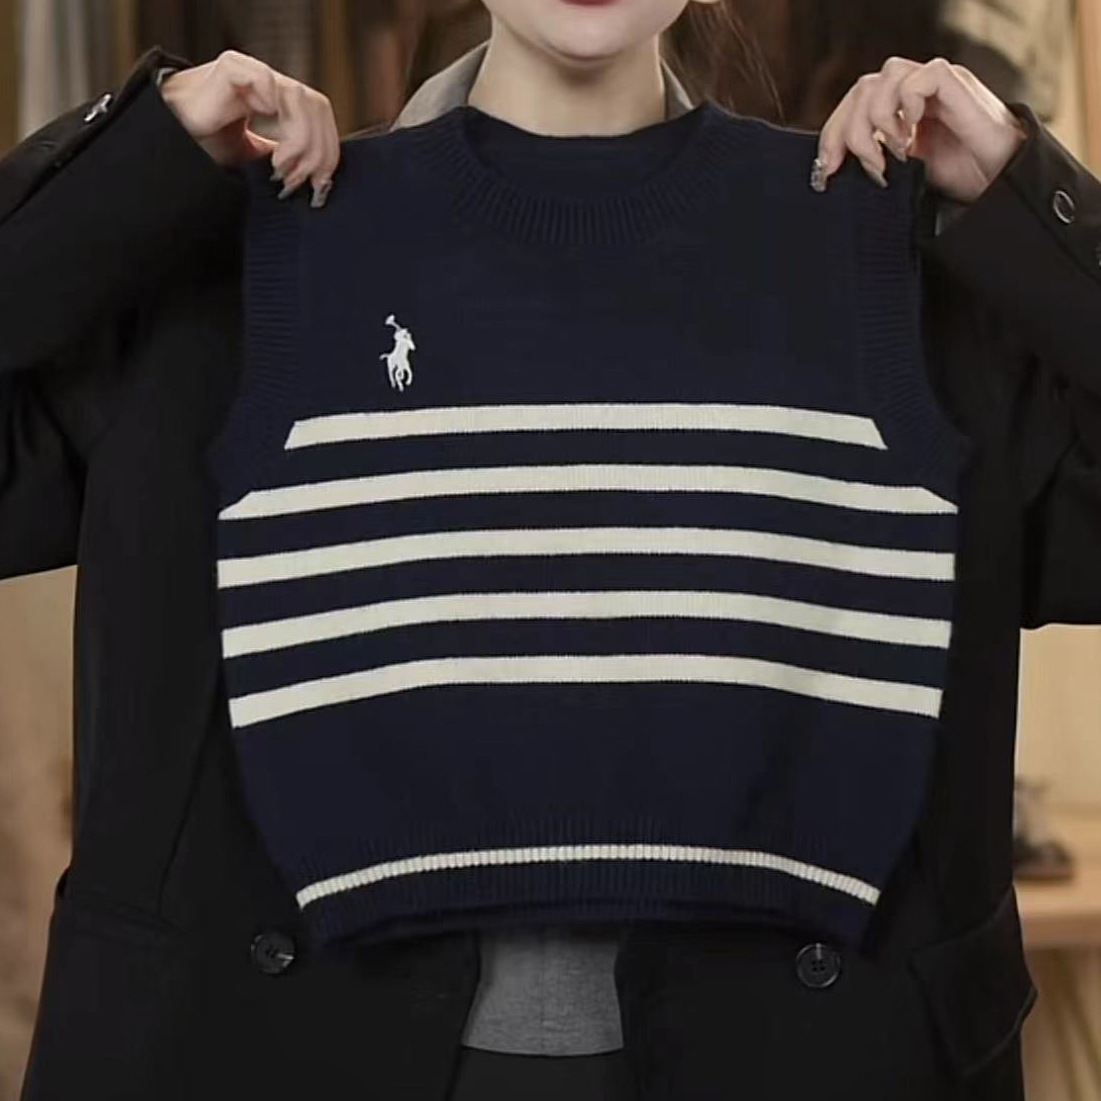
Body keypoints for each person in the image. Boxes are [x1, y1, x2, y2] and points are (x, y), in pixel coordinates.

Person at [2, 1, 1100, 1098]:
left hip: (810, 1053)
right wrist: (131, 159)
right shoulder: (210, 245)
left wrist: (1026, 190)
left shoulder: (892, 254)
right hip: (253, 1052)